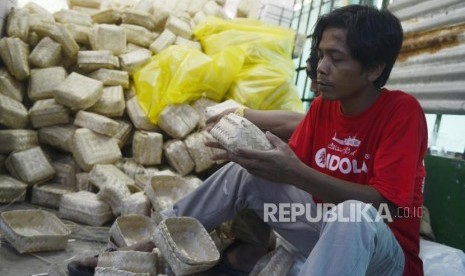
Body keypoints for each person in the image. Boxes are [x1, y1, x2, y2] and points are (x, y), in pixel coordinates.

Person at [70, 5, 428, 276]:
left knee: (353, 214)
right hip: (323, 229)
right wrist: (250, 154)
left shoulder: (401, 112)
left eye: (336, 58)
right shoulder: (322, 108)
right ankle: (152, 246)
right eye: (321, 55)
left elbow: (390, 208)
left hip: (382, 255)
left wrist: (295, 173)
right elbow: (285, 170)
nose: (321, 67)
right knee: (245, 173)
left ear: (374, 69)